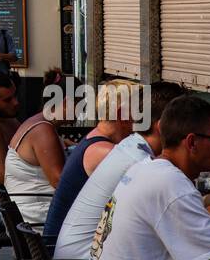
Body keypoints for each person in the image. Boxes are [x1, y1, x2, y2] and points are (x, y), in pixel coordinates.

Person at [51, 83, 210, 260]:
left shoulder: (140, 156)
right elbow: (197, 225)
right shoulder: (142, 164)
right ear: (166, 124)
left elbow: (191, 209)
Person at [42, 80, 138, 241]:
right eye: (138, 110)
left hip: (62, 250)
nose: (140, 118)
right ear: (122, 114)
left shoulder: (93, 139)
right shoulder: (103, 152)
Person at [3, 101, 66, 228]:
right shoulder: (43, 130)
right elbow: (59, 181)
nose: (81, 111)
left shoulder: (35, 123)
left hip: (23, 212)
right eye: (79, 103)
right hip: (35, 216)